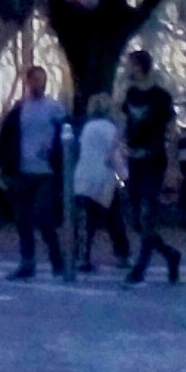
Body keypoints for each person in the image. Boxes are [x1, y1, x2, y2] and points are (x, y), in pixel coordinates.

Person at [119, 49, 183, 285]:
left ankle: (140, 269)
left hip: (154, 162)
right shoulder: (131, 94)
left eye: (131, 65)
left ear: (139, 67)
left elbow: (171, 131)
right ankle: (170, 254)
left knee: (148, 216)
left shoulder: (160, 97)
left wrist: (173, 166)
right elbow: (125, 122)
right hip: (134, 161)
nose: (127, 69)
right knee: (136, 219)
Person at [4, 65, 66, 279]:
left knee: (43, 216)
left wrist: (56, 151)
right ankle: (27, 261)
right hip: (22, 169)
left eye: (43, 79)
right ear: (28, 82)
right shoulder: (20, 108)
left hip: (46, 171)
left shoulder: (55, 108)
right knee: (22, 219)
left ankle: (57, 258)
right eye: (36, 80)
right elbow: (8, 135)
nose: (40, 84)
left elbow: (65, 133)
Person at [71, 99, 129, 273]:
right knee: (114, 219)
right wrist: (125, 175)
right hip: (103, 178)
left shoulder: (87, 128)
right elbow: (114, 154)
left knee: (86, 221)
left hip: (83, 177)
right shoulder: (110, 129)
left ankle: (82, 256)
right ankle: (122, 254)